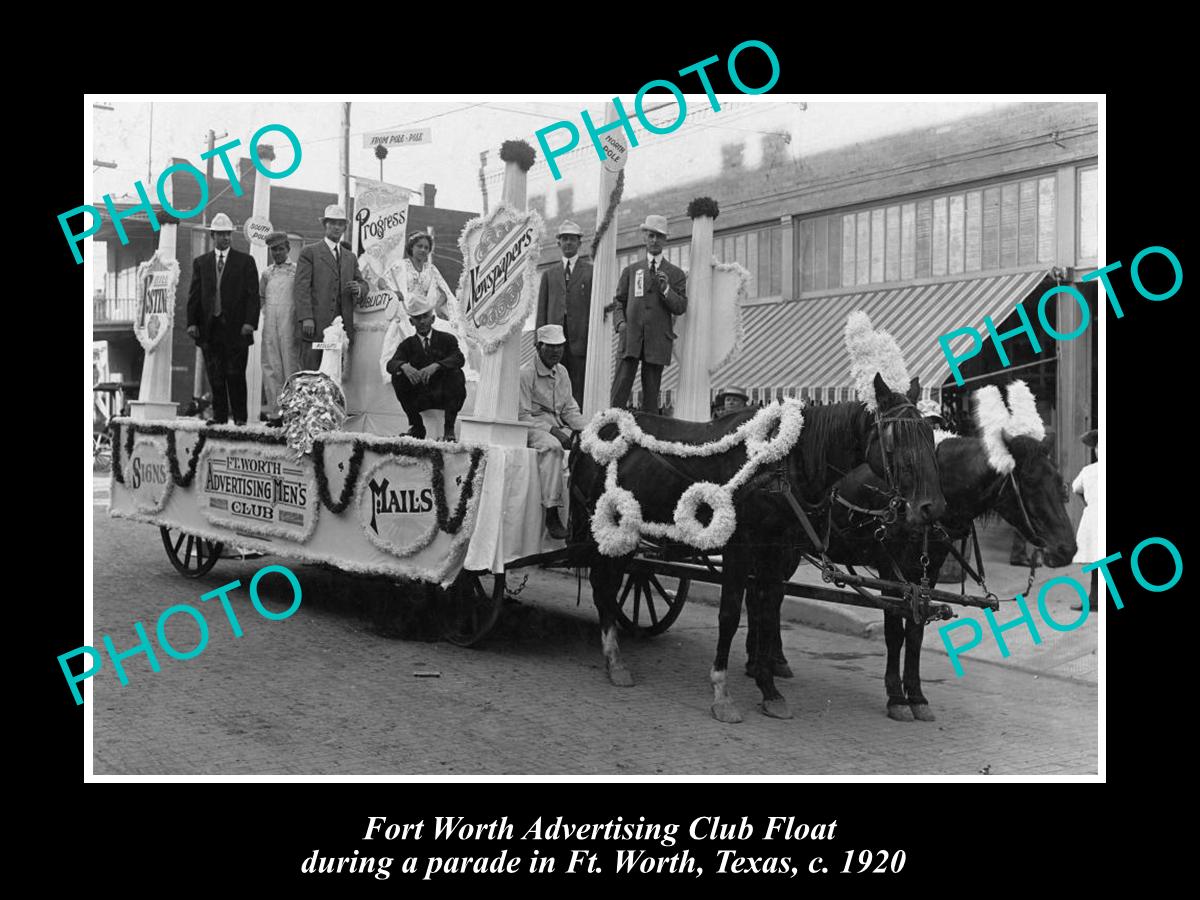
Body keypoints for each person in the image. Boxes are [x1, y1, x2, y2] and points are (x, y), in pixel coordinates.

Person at [186, 213, 260, 425]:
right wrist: (192, 322)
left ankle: (239, 418)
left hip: (237, 329)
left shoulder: (245, 261)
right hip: (210, 329)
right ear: (213, 235)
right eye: (221, 234)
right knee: (215, 375)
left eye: (228, 234)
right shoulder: (201, 262)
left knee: (235, 374)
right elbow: (194, 295)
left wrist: (250, 322)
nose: (226, 238)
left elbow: (252, 295)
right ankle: (219, 417)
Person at [611, 214, 688, 413]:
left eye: (659, 236)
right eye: (651, 235)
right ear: (644, 237)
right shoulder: (631, 270)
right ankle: (610, 431)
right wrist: (621, 325)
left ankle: (648, 437)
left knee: (651, 396)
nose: (654, 240)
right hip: (630, 338)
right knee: (620, 389)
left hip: (658, 340)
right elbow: (619, 301)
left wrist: (666, 290)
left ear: (665, 240)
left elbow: (680, 306)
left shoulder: (676, 274)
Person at [519, 325, 588, 540]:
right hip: (532, 427)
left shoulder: (563, 372)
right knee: (552, 448)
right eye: (550, 347)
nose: (556, 351)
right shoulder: (525, 373)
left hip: (558, 425)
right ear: (538, 346)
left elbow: (569, 409)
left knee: (590, 448)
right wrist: (554, 432)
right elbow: (522, 416)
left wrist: (589, 429)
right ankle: (551, 512)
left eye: (559, 347)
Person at [294, 204, 368, 371]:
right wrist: (306, 317)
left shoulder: (350, 257)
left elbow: (362, 283)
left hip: (341, 330)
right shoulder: (310, 252)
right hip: (316, 328)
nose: (336, 227)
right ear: (325, 225)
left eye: (340, 224)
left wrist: (359, 288)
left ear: (344, 227)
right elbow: (301, 287)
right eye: (332, 223)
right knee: (312, 371)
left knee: (336, 372)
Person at [385, 296, 466, 441]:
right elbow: (390, 364)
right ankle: (416, 427)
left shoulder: (447, 339)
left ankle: (449, 429)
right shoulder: (407, 345)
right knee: (397, 376)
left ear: (432, 319)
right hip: (421, 397)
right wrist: (404, 366)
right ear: (411, 322)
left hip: (444, 395)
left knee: (456, 374)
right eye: (417, 318)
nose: (422, 321)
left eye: (425, 317)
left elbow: (459, 358)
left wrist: (437, 366)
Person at [536, 220, 593, 409]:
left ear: (579, 243)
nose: (568, 243)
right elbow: (542, 308)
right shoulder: (549, 274)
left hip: (580, 337)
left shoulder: (590, 272)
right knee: (553, 380)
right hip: (554, 340)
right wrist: (539, 338)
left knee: (578, 381)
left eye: (573, 239)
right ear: (558, 243)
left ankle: (577, 421)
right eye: (565, 239)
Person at [259, 232, 298, 425]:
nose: (277, 252)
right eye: (273, 249)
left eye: (280, 248)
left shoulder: (296, 270)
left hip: (289, 323)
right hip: (270, 324)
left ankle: (293, 412)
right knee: (271, 366)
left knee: (290, 366)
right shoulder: (267, 274)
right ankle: (276, 413)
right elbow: (262, 298)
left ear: (288, 249)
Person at [1070, 429, 1100, 612]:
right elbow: (1076, 488)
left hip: (1094, 517)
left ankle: (1095, 599)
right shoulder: (1088, 471)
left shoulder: (1088, 471)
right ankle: (1096, 599)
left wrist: (1089, 504)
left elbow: (1076, 489)